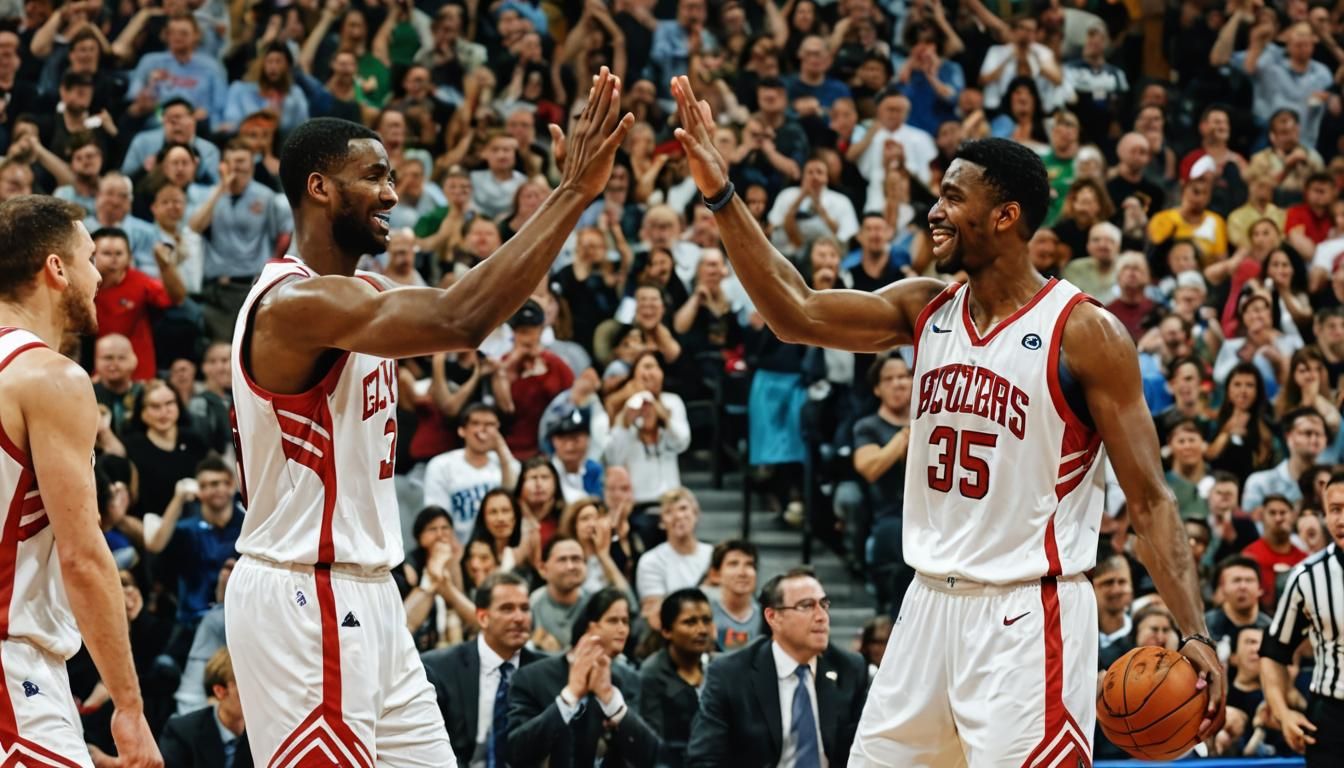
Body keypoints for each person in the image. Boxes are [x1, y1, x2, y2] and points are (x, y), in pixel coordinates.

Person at [669, 77, 1225, 765]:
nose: (934, 212)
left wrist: (1194, 631)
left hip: (1028, 615)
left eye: (954, 198)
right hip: (927, 603)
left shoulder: (1084, 333)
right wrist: (722, 195)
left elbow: (1149, 499)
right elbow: (796, 311)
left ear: (1005, 216)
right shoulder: (924, 309)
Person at [225, 69, 632, 763]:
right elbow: (461, 316)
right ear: (319, 187)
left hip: (370, 594)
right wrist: (570, 194)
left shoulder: (363, 296)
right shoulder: (294, 305)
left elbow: (452, 321)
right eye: (374, 176)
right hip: (306, 593)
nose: (391, 193)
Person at [0, 195, 160, 763]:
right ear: (56, 268)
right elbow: (83, 556)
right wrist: (131, 708)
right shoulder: (51, 377)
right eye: (91, 258)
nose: (100, 275)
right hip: (11, 669)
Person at [685, 567, 869, 767]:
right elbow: (704, 759)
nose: (821, 616)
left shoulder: (849, 669)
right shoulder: (730, 674)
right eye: (806, 606)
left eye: (824, 605)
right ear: (773, 617)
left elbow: (866, 749)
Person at [507, 588, 660, 768]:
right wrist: (568, 699)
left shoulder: (630, 680)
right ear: (590, 627)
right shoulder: (532, 677)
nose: (622, 629)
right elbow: (515, 753)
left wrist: (614, 706)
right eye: (613, 620)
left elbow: (653, 756)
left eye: (625, 622)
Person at [1261, 469, 1344, 765]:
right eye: (1335, 509)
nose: (1341, 519)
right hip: (1333, 717)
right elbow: (1273, 653)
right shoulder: (1307, 577)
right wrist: (1283, 713)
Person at [420, 571, 543, 768]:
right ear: (483, 617)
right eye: (507, 609)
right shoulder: (439, 668)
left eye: (525, 608)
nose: (519, 618)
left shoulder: (544, 670)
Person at [422, 403, 519, 543]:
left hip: (502, 545)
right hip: (460, 547)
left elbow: (513, 493)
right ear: (462, 430)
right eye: (476, 423)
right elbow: (438, 518)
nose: (483, 430)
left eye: (490, 424)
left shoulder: (507, 463)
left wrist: (501, 448)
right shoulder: (441, 465)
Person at [638, 588, 715, 755]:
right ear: (667, 631)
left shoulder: (721, 668)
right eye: (690, 622)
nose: (702, 630)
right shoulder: (652, 675)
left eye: (707, 620)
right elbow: (653, 741)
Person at [156, 648, 251, 766]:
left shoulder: (264, 734)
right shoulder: (181, 732)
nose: (254, 698)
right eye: (245, 690)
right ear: (219, 691)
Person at [706, 539, 761, 650]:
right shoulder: (704, 615)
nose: (742, 572)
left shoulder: (769, 617)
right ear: (715, 575)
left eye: (749, 564)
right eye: (733, 564)